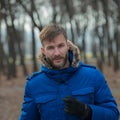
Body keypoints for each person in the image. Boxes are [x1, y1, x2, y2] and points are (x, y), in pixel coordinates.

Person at [19, 24, 119, 120]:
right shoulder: (34, 85)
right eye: (50, 48)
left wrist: (87, 111)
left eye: (60, 46)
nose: (57, 53)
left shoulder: (93, 76)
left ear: (67, 45)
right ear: (43, 51)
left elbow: (113, 114)